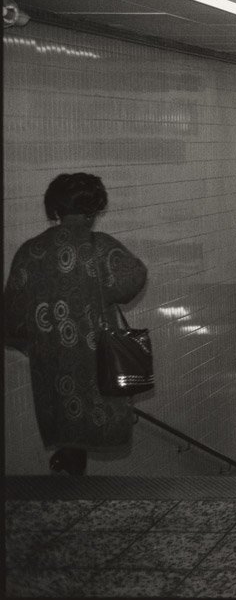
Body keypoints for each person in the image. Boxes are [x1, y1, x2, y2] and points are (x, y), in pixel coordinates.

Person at [4, 173, 148, 475]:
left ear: (55, 209)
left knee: (66, 423)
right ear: (93, 210)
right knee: (94, 412)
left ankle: (67, 467)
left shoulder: (31, 251)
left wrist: (34, 342)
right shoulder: (103, 248)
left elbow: (12, 316)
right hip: (98, 355)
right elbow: (134, 278)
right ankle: (72, 478)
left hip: (52, 358)